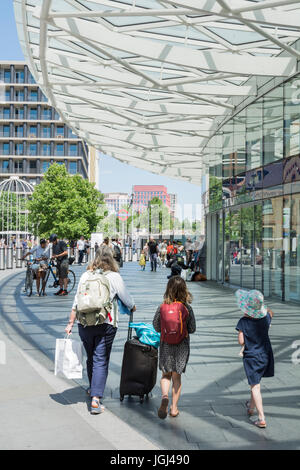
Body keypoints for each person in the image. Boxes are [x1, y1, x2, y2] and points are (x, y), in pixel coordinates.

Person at [65, 247, 136, 414]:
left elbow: (76, 301)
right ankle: (96, 399)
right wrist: (132, 306)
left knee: (92, 357)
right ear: (112, 259)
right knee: (101, 358)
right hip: (106, 322)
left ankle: (92, 388)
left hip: (84, 323)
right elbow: (126, 297)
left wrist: (70, 323)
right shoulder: (114, 276)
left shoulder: (85, 275)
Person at [153, 276, 196, 419]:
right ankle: (174, 408)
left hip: (166, 344)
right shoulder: (187, 308)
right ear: (184, 290)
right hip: (181, 346)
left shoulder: (162, 307)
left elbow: (156, 326)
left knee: (166, 374)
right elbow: (192, 328)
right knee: (176, 377)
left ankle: (165, 396)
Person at [235, 289, 274, 429]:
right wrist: (264, 310)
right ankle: (251, 407)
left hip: (252, 357)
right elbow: (270, 313)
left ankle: (261, 417)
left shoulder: (243, 321)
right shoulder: (265, 318)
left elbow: (241, 341)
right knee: (255, 382)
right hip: (265, 354)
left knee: (255, 386)